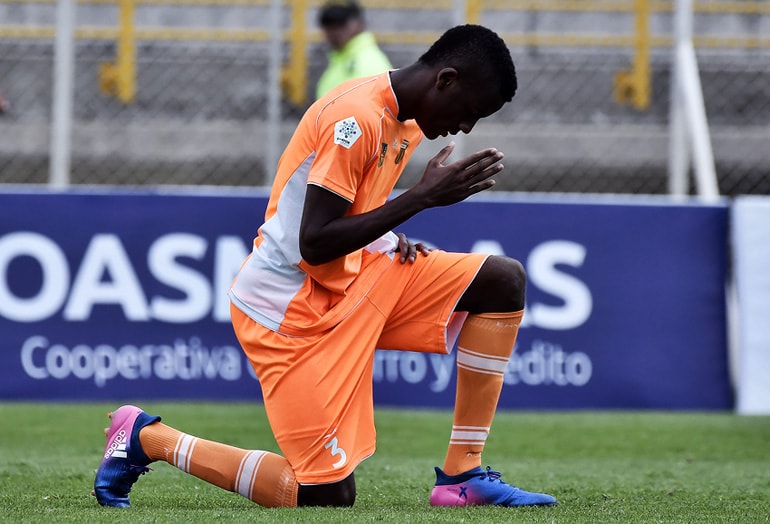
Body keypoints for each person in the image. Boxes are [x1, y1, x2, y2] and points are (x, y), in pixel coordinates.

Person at [92, 24, 558, 509]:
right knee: (326, 495)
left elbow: (351, 207)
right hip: (288, 310)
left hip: (358, 278)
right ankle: (149, 439)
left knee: (502, 282)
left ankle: (462, 476)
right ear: (446, 80)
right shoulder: (354, 119)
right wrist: (420, 198)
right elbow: (313, 243)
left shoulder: (409, 118)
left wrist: (387, 233)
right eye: (469, 112)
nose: (466, 128)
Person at [315, 0, 392, 99]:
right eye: (328, 25)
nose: (333, 31)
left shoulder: (368, 63)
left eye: (340, 24)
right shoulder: (340, 61)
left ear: (359, 24)